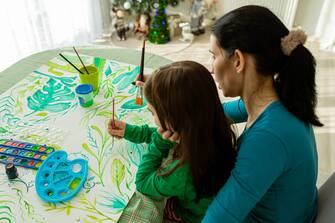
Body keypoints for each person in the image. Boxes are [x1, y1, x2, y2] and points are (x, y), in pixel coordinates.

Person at [159, 5, 322, 223]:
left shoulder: (269, 137)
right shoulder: (275, 97)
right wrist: (177, 109)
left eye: (213, 56)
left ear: (237, 60)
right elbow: (215, 114)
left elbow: (217, 219)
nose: (211, 68)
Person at [108, 61, 237, 223]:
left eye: (152, 113)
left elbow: (142, 182)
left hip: (187, 216)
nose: (153, 119)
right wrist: (132, 132)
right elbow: (170, 132)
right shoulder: (211, 127)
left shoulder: (182, 173)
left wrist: (160, 141)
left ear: (173, 122)